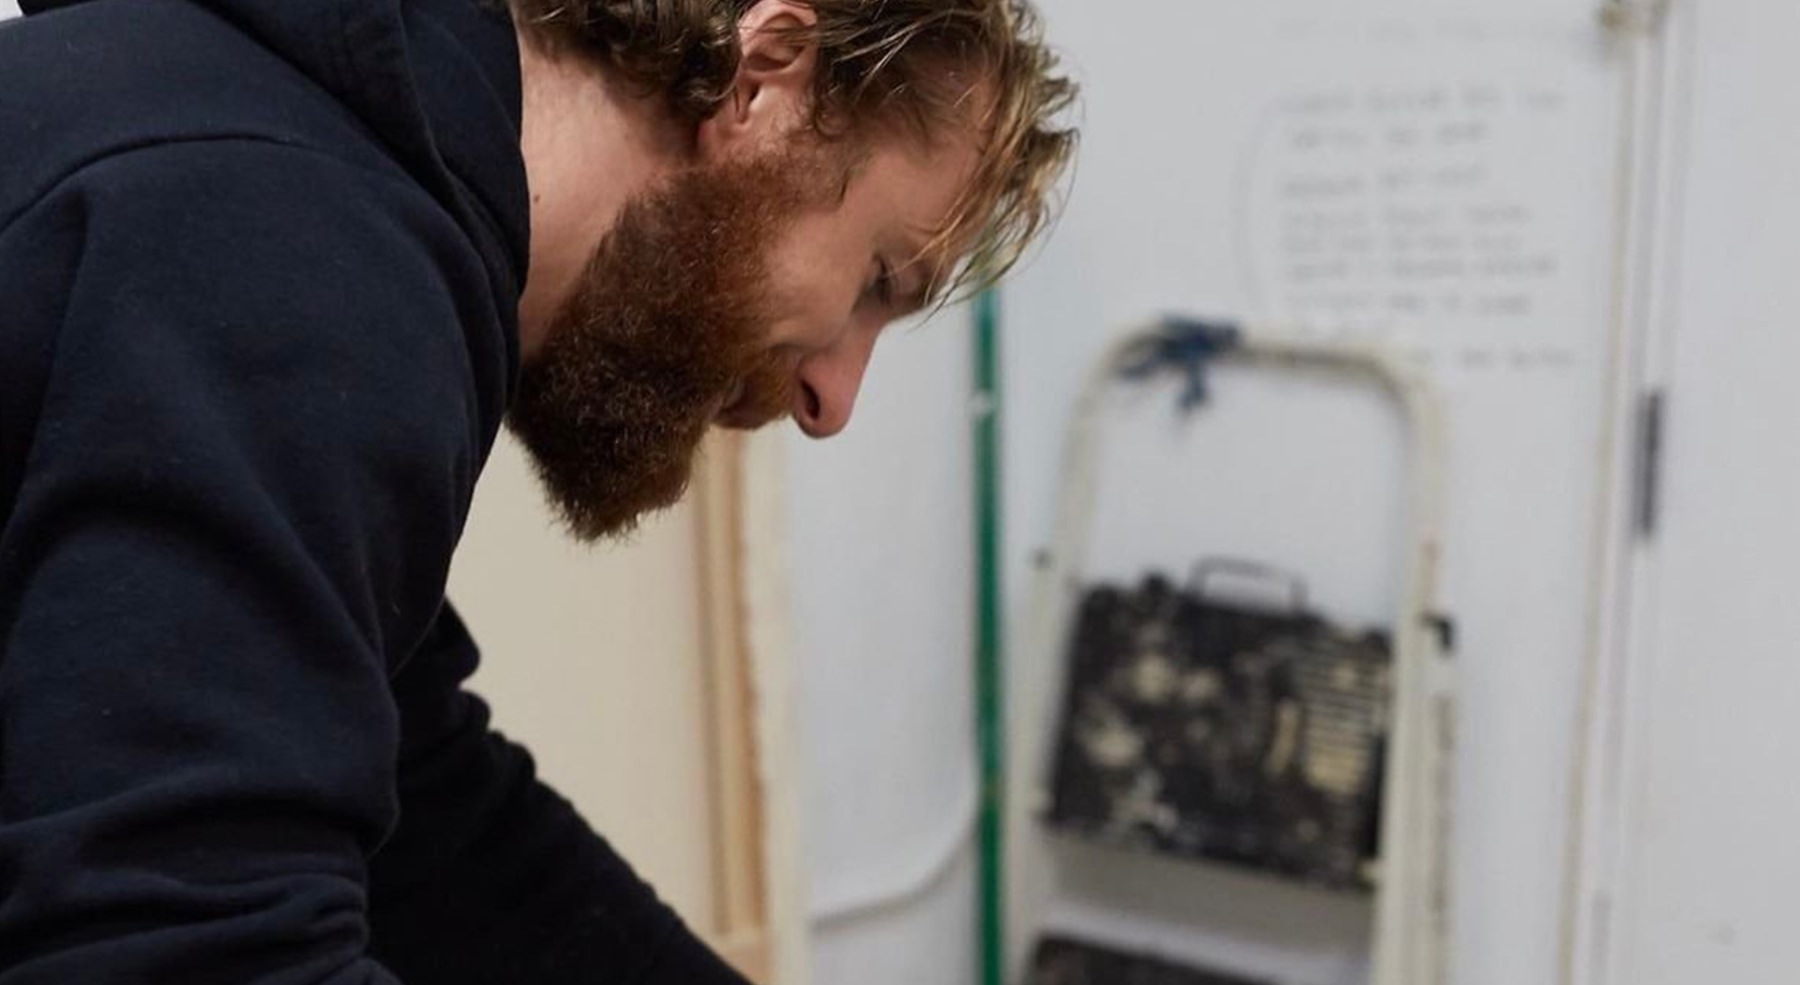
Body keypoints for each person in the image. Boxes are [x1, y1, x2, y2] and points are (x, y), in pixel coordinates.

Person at [0, 0, 1075, 981]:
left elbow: (430, 821)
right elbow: (190, 951)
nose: (832, 396)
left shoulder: (297, 172)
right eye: (878, 279)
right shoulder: (288, 254)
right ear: (766, 81)